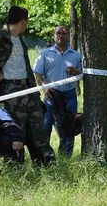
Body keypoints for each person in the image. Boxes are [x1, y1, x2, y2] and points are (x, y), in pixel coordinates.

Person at [0, 5, 55, 165]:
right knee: (16, 131)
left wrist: (35, 91)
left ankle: (46, 165)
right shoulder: (1, 37)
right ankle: (15, 169)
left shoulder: (20, 39)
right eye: (27, 21)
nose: (27, 24)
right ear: (23, 21)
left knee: (38, 130)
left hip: (29, 90)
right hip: (11, 92)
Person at [33, 25, 82, 156]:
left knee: (68, 128)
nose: (60, 35)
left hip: (69, 95)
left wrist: (76, 72)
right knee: (46, 126)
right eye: (58, 33)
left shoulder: (76, 56)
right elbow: (38, 74)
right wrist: (44, 89)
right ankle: (45, 158)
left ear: (69, 36)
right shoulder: (45, 54)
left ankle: (65, 157)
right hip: (51, 95)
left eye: (64, 33)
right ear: (54, 36)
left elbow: (83, 75)